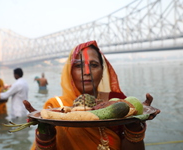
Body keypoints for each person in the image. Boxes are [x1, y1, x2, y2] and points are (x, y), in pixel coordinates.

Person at [24, 41, 160, 150]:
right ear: (70, 72)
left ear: (102, 71)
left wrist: (135, 125)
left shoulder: (118, 102)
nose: (87, 72)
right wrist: (45, 131)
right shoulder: (55, 106)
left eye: (94, 65)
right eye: (78, 66)